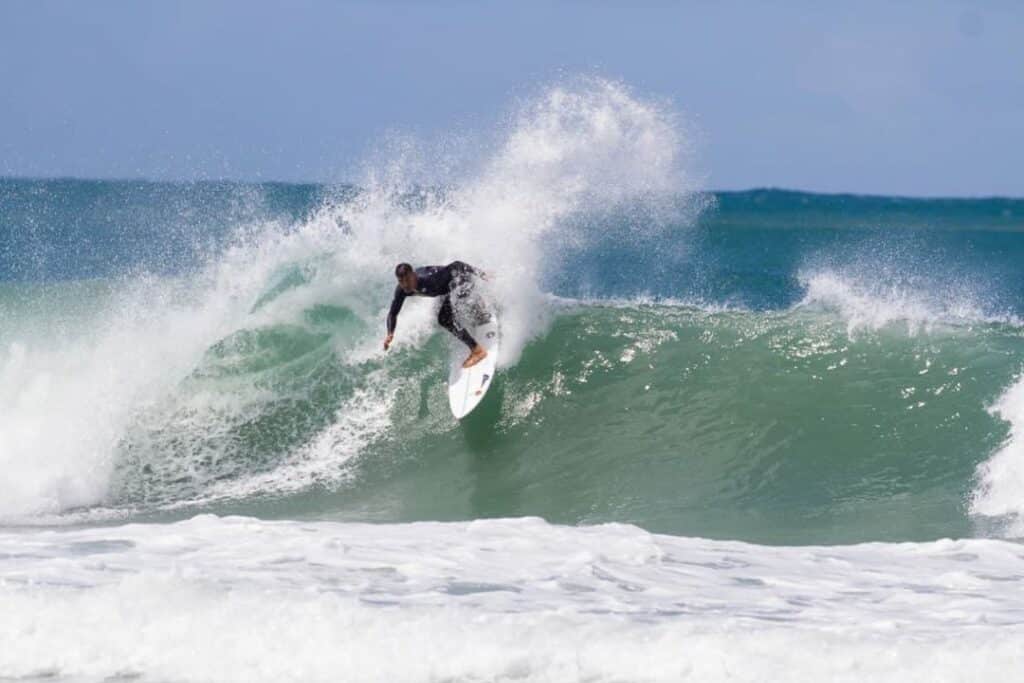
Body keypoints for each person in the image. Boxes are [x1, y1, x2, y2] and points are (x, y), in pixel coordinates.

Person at [383, 261, 489, 368]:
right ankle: (479, 309)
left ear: (414, 275)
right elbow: (392, 313)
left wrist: (481, 273)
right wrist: (390, 333)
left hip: (462, 281)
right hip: (446, 290)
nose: (405, 284)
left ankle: (478, 351)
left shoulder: (428, 279)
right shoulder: (403, 290)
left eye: (408, 280)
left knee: (445, 319)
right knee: (443, 313)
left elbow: (457, 265)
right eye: (401, 281)